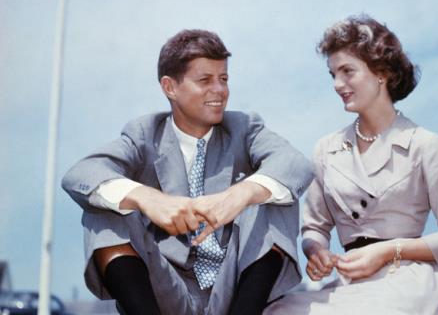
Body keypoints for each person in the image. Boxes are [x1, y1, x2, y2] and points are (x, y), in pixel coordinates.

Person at [61, 29, 313, 315]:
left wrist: (240, 194)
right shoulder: (143, 134)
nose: (219, 90)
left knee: (272, 193)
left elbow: (295, 164)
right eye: (205, 80)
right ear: (170, 87)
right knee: (105, 202)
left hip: (235, 291)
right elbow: (80, 174)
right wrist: (146, 197)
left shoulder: (245, 128)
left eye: (224, 79)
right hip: (165, 291)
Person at [264, 15, 438, 314]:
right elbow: (314, 227)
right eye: (332, 74)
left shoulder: (424, 144)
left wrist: (389, 251)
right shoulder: (327, 150)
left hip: (411, 282)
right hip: (350, 285)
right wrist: (316, 251)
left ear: (382, 73)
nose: (338, 84)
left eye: (347, 71)